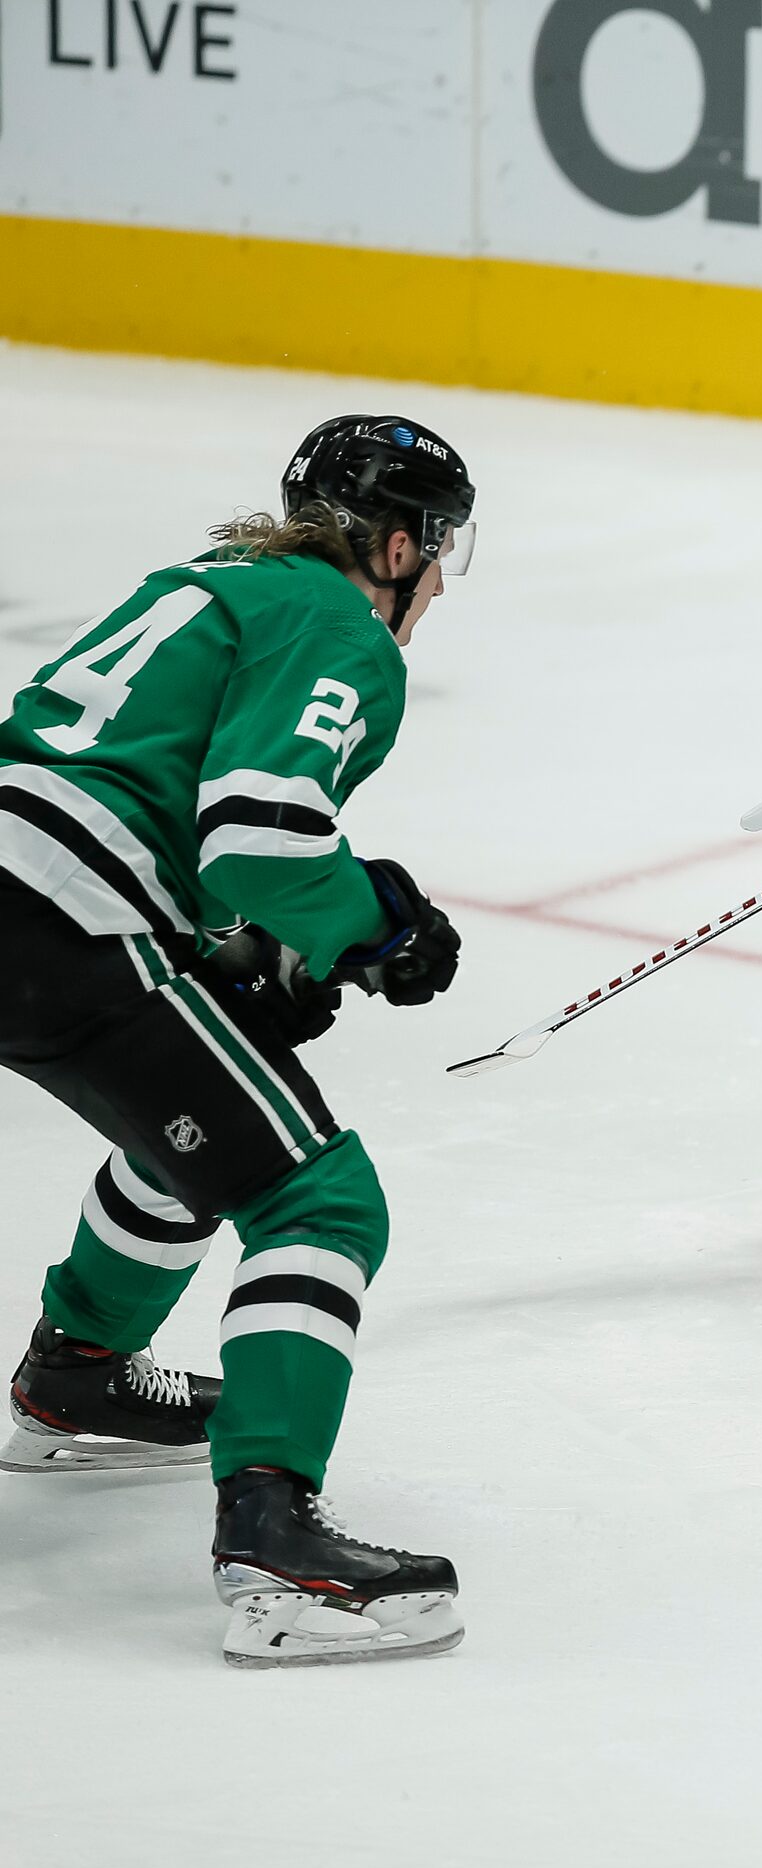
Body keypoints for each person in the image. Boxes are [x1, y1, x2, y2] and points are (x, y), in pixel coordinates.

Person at [0, 415, 473, 1668]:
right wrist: (379, 925)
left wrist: (230, 954)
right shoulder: (337, 622)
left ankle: (78, 1375)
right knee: (318, 1197)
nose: (436, 583)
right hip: (64, 918)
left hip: (33, 883)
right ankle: (273, 1541)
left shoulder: (209, 582)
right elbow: (257, 839)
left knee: (198, 1131)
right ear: (393, 542)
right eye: (438, 551)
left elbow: (138, 790)